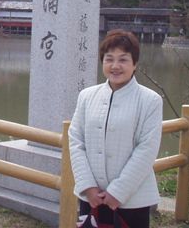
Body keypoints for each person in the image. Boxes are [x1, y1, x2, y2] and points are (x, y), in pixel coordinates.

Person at [69, 29, 163, 228]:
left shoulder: (150, 100)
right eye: (109, 59)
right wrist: (88, 186)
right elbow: (76, 141)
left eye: (123, 59)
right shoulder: (87, 96)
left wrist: (118, 192)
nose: (115, 66)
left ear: (135, 64)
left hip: (132, 199)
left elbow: (147, 149)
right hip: (92, 197)